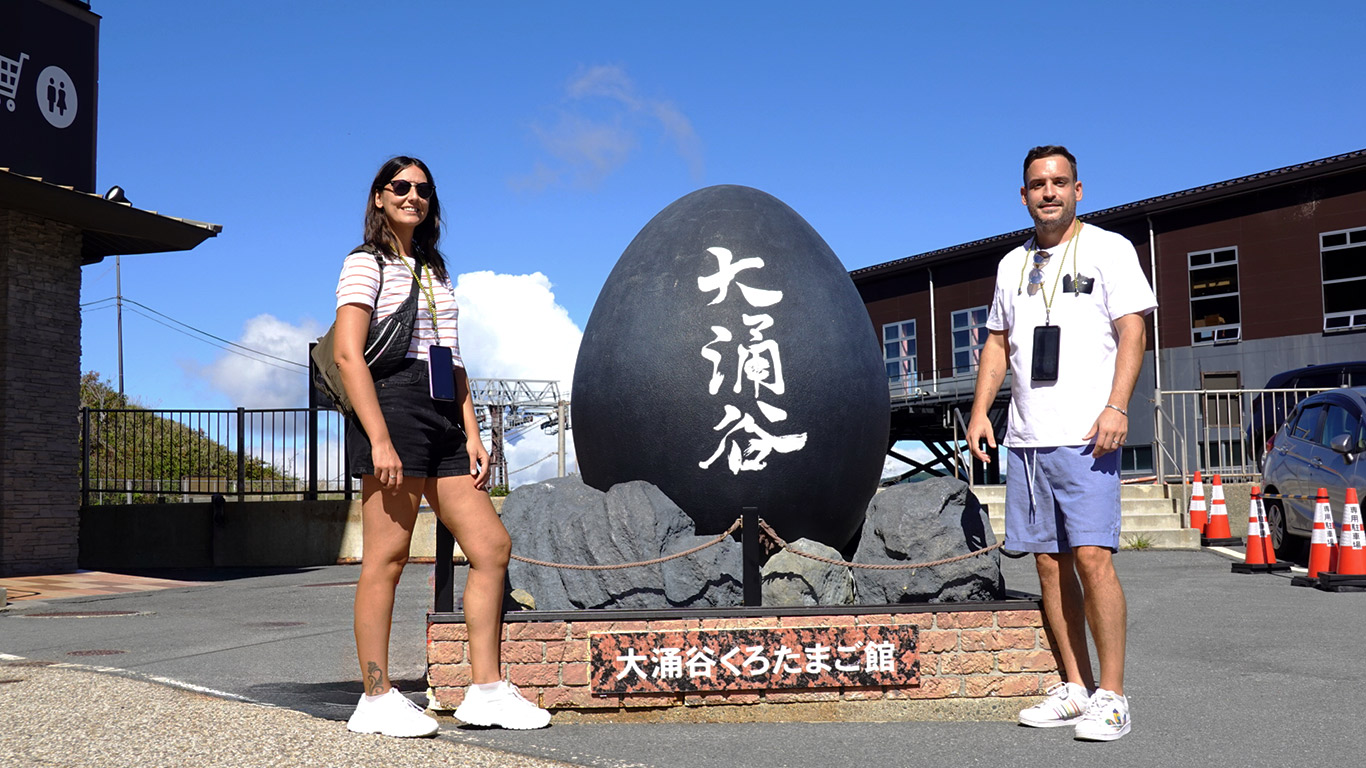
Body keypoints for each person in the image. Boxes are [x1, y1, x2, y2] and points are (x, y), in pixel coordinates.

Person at [334, 156, 551, 736]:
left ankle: (485, 691)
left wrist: (474, 432)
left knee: (491, 546)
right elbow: (348, 354)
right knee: (388, 556)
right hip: (393, 408)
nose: (413, 196)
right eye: (400, 187)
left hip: (442, 414)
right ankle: (376, 698)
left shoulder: (434, 268)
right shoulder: (364, 263)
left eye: (423, 190)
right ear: (379, 197)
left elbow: (451, 359)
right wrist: (378, 437)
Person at [966, 145, 1156, 742]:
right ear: (1022, 196)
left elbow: (1133, 330)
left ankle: (1114, 695)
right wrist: (980, 412)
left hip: (1088, 436)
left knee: (1094, 559)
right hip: (1026, 439)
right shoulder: (1009, 266)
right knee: (1050, 566)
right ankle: (1075, 686)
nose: (1048, 192)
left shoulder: (1109, 249)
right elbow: (998, 345)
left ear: (1079, 189)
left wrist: (1117, 405)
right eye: (1037, 184)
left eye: (1059, 182)